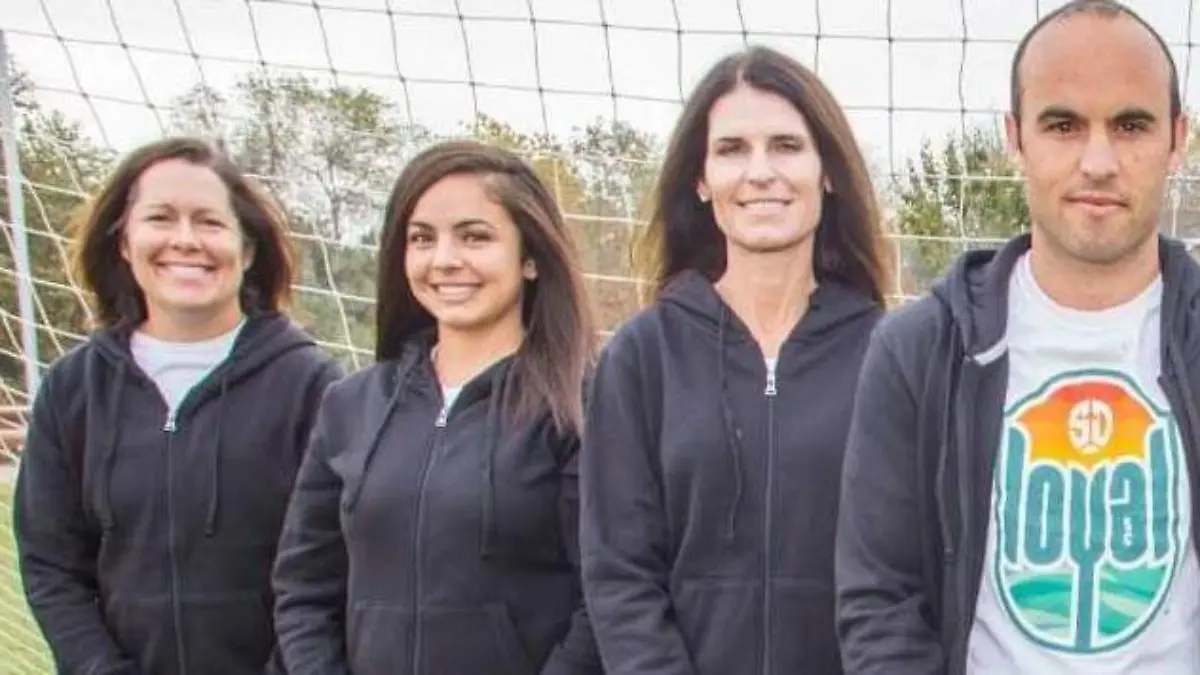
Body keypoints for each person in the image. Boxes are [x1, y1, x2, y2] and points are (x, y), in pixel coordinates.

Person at [835, 2, 1200, 674]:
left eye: (1131, 125)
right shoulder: (921, 350)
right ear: (1015, 137)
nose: (1098, 161)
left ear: (1179, 138)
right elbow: (881, 600)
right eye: (1063, 125)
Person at [580, 45, 891, 674]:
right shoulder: (642, 356)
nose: (760, 172)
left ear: (827, 172)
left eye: (786, 146)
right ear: (701, 180)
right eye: (731, 150)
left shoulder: (891, 355)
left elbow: (908, 573)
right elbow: (620, 575)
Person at [13, 136, 344, 675]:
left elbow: (333, 570)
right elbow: (51, 566)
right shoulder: (73, 389)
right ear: (124, 241)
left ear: (247, 249)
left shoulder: (313, 387)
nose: (185, 240)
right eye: (161, 218)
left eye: (210, 222)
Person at [271, 139, 602, 675]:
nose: (445, 260)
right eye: (422, 238)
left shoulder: (582, 408)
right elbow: (304, 588)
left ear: (530, 258)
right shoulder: (351, 406)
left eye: (475, 236)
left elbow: (605, 595)